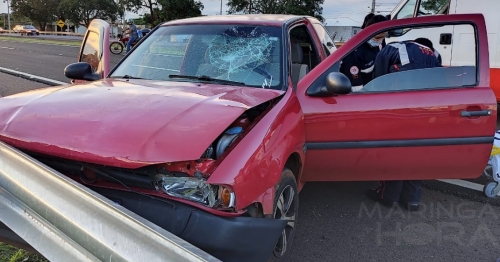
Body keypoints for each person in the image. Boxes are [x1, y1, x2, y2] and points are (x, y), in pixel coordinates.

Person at [366, 37, 442, 212]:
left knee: (396, 150)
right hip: (428, 112)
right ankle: (411, 199)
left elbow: (378, 82)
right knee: (418, 152)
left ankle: (388, 195)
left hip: (401, 108)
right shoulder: (435, 55)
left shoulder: (395, 47)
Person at [339, 15, 387, 92]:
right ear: (369, 32)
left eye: (383, 37)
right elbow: (356, 88)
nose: (380, 41)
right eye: (378, 38)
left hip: (372, 86)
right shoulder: (354, 52)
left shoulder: (376, 45)